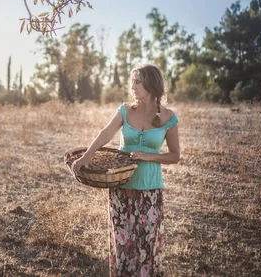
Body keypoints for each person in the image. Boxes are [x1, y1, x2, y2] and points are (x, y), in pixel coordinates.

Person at [71, 64, 181, 277]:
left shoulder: (168, 117)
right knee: (123, 245)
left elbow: (175, 156)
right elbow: (105, 134)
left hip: (150, 190)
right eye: (132, 82)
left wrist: (150, 156)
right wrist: (86, 157)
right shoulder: (125, 110)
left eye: (138, 81)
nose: (133, 86)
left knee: (146, 246)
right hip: (122, 188)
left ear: (151, 83)